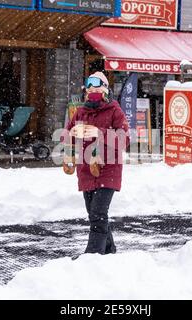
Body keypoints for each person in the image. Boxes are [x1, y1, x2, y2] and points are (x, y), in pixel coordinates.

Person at [62, 71, 130, 256]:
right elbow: (67, 135)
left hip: (108, 169)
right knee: (95, 214)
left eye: (97, 85)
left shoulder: (115, 111)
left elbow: (124, 140)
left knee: (98, 214)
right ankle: (109, 250)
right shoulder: (81, 112)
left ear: (106, 89)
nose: (92, 89)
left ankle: (93, 255)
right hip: (85, 170)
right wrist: (69, 152)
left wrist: (98, 132)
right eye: (89, 85)